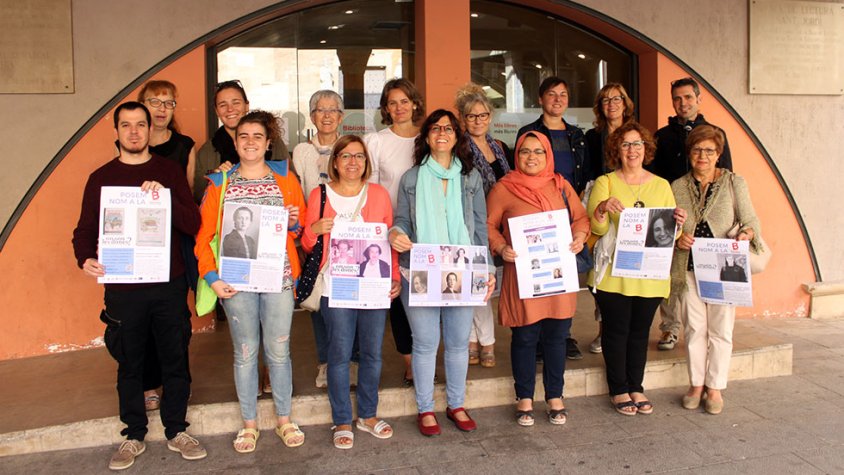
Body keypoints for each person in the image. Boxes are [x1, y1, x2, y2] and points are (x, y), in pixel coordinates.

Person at [72, 102, 206, 470]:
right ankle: (133, 434)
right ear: (115, 131)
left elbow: (192, 223)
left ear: (151, 130)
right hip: (123, 287)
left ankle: (177, 429)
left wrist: (163, 195)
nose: (134, 132)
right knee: (129, 363)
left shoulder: (167, 171)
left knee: (175, 357)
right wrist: (85, 258)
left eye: (140, 125)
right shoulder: (100, 178)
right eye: (126, 125)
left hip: (167, 284)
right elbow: (84, 230)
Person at [195, 110, 306, 453]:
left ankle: (284, 419)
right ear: (234, 141)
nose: (250, 142)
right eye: (243, 136)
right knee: (244, 353)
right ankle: (249, 424)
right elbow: (204, 238)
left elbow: (298, 230)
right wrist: (212, 279)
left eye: (258, 136)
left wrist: (292, 223)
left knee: (279, 351)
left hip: (279, 279)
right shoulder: (219, 183)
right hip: (236, 282)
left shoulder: (285, 178)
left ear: (268, 142)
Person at [390, 109, 495, 436]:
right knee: (424, 343)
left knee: (458, 343)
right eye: (435, 128)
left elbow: (479, 228)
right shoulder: (411, 178)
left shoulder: (471, 176)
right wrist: (396, 232)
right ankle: (425, 409)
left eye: (447, 128)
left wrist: (486, 270)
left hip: (462, 270)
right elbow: (403, 221)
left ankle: (456, 404)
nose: (441, 133)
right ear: (427, 136)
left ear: (456, 135)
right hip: (420, 271)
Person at [301, 134, 400, 449]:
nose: (353, 162)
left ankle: (368, 415)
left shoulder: (380, 195)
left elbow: (389, 241)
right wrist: (313, 230)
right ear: (335, 161)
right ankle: (342, 419)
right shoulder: (319, 195)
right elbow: (307, 244)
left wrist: (393, 276)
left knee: (372, 353)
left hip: (372, 287)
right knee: (339, 355)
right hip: (336, 288)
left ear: (366, 162)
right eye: (345, 156)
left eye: (359, 156)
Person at [487, 131, 590, 426]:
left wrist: (580, 237)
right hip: (523, 276)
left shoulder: (560, 185)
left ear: (548, 155)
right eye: (525, 152)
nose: (531, 157)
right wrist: (501, 246)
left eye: (538, 152)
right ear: (516, 156)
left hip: (557, 274)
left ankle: (555, 395)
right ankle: (525, 397)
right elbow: (489, 224)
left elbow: (580, 218)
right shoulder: (504, 188)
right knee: (525, 337)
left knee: (557, 337)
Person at [586, 121, 687, 416]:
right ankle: (618, 389)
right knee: (616, 332)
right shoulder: (606, 182)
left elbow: (672, 237)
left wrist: (678, 224)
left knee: (640, 333)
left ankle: (636, 387)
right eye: (626, 144)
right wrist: (603, 207)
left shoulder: (661, 185)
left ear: (647, 149)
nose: (632, 150)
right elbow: (597, 226)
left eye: (638, 144)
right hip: (615, 275)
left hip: (650, 275)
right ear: (617, 149)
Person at [671, 124, 760, 414]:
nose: (703, 156)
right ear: (689, 153)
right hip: (690, 268)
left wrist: (746, 234)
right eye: (697, 150)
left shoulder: (736, 183)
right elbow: (667, 228)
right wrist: (677, 239)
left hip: (724, 268)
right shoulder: (677, 186)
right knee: (695, 328)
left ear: (719, 154)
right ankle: (696, 384)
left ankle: (715, 387)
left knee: (721, 330)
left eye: (709, 150)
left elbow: (751, 221)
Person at [649, 77, 732, 351]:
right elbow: (655, 178)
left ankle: (709, 329)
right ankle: (670, 328)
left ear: (698, 98)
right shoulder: (662, 135)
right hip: (673, 211)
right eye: (677, 98)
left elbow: (727, 175)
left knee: (706, 272)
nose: (682, 103)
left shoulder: (715, 132)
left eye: (687, 97)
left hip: (707, 214)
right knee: (671, 272)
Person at [136, 79, 200, 412]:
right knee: (142, 316)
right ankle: (148, 384)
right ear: (141, 105)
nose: (162, 109)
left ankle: (177, 381)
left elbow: (188, 198)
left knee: (175, 317)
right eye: (155, 102)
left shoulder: (185, 145)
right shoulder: (131, 144)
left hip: (175, 240)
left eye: (168, 103)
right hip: (140, 243)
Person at [517, 76, 589, 361]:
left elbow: (585, 175)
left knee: (563, 277)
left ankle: (564, 335)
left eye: (563, 94)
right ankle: (535, 337)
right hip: (534, 212)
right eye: (551, 94)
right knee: (537, 273)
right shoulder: (528, 132)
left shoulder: (577, 135)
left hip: (565, 210)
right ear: (540, 99)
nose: (557, 99)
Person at [365, 78, 425, 387]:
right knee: (396, 302)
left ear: (415, 103)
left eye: (404, 101)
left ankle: (426, 357)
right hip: (387, 231)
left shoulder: (429, 138)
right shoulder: (376, 141)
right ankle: (410, 363)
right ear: (385, 108)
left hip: (425, 231)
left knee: (423, 297)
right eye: (392, 103)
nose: (399, 107)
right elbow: (370, 188)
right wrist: (381, 228)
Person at [455, 82, 514, 368]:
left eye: (482, 116)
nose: (477, 121)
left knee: (488, 285)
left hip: (499, 224)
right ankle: (477, 341)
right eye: (471, 116)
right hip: (471, 223)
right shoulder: (459, 149)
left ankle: (483, 339)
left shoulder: (498, 147)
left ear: (490, 117)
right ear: (463, 120)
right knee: (472, 283)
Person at [292, 90, 346, 389]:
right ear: (312, 116)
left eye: (332, 110)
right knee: (318, 300)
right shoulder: (302, 151)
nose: (326, 115)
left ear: (341, 116)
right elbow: (300, 194)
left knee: (347, 300)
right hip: (315, 236)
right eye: (319, 110)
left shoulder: (351, 147)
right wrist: (305, 235)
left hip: (348, 237)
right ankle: (325, 363)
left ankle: (349, 361)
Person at [193, 80, 290, 203]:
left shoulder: (272, 142)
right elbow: (198, 196)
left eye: (236, 103)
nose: (230, 109)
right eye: (223, 105)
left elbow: (291, 183)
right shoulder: (207, 151)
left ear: (247, 106)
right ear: (216, 111)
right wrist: (215, 180)